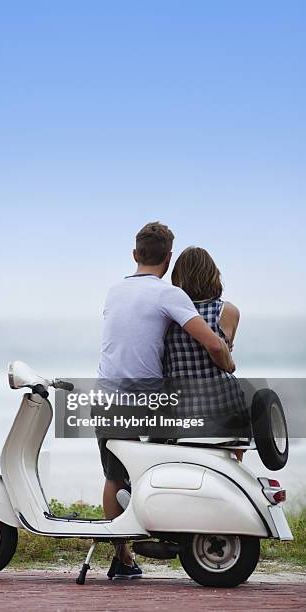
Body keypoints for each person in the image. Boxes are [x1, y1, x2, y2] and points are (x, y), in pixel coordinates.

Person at [97, 223, 235, 579]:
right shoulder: (168, 295)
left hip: (107, 397)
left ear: (134, 254)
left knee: (115, 478)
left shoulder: (114, 292)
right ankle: (169, 532)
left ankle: (123, 558)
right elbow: (214, 344)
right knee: (167, 466)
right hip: (151, 402)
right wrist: (228, 363)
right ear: (169, 258)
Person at [164, 246, 250, 456]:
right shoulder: (228, 311)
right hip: (223, 403)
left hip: (180, 408)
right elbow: (225, 356)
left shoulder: (167, 315)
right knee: (231, 462)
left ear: (178, 277)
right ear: (212, 275)